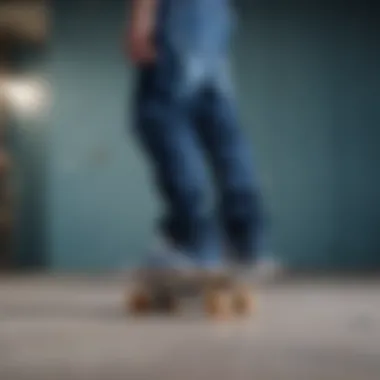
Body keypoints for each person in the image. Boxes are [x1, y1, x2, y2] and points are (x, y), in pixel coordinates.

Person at [126, 0, 264, 274]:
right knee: (220, 126)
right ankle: (246, 241)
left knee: (161, 115)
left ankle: (190, 241)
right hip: (216, 14)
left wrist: (142, 20)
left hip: (179, 12)